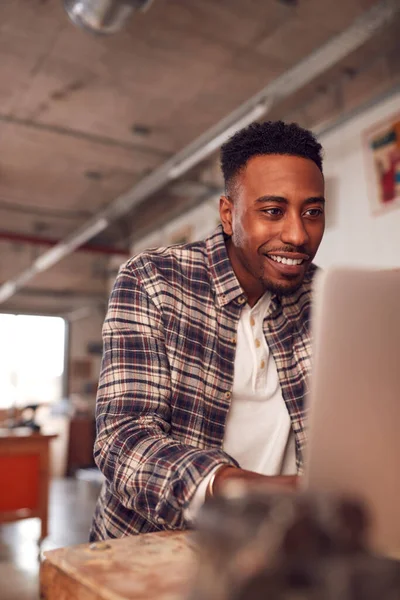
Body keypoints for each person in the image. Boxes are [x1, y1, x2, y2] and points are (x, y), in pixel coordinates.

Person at [90, 120, 325, 540]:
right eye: (273, 211)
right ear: (228, 214)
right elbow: (122, 441)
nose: (297, 234)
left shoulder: (325, 297)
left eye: (312, 212)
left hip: (285, 550)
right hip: (156, 549)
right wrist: (246, 491)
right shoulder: (153, 280)